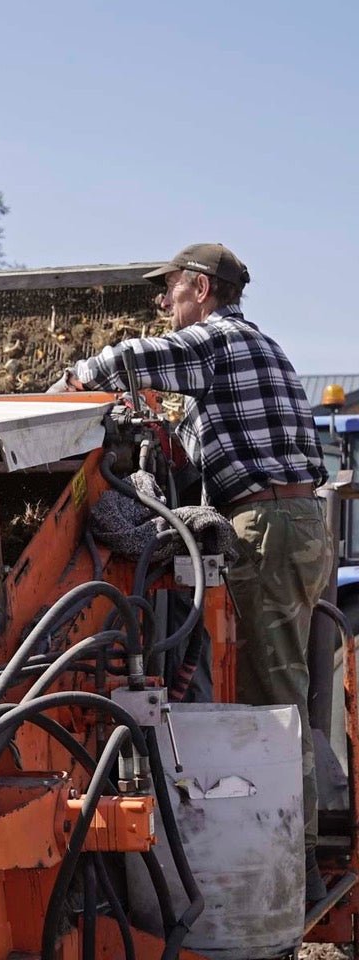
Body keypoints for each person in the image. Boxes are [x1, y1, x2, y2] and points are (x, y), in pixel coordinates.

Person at [49, 242, 334, 901]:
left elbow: (128, 360)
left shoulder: (216, 340)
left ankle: (302, 868)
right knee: (275, 683)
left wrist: (63, 389)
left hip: (266, 524)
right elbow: (177, 411)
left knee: (275, 700)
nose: (163, 302)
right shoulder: (252, 350)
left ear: (201, 289)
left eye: (171, 290)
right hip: (287, 522)